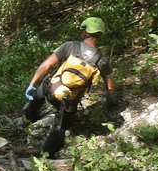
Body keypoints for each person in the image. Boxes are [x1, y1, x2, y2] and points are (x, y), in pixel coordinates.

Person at [24, 17, 117, 156]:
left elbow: (46, 65)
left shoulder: (70, 46)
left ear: (85, 32)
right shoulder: (101, 60)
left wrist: (32, 84)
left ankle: (30, 115)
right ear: (99, 35)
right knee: (60, 128)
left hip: (51, 91)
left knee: (43, 86)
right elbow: (109, 84)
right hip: (68, 101)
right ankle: (46, 156)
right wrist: (110, 97)